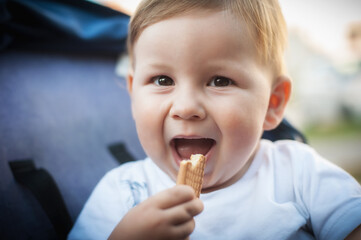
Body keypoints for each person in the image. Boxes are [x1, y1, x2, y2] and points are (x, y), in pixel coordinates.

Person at [68, 0, 361, 239]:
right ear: (133, 95)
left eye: (220, 80)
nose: (185, 107)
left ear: (273, 103)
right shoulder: (124, 193)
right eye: (162, 79)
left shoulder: (298, 173)